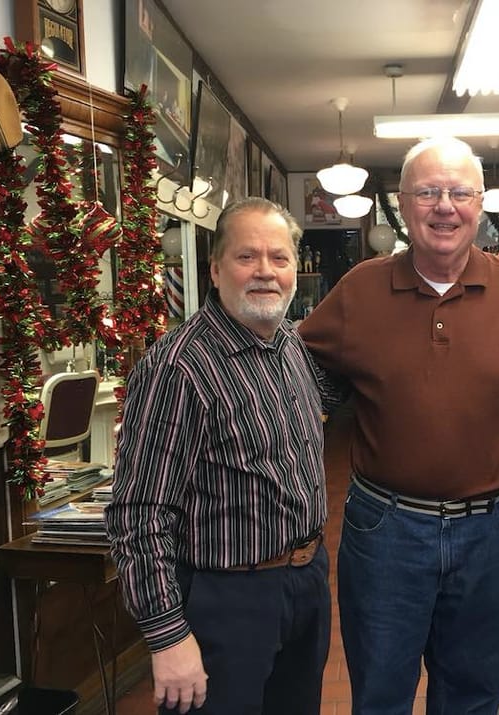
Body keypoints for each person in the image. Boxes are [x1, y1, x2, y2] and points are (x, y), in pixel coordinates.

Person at [299, 136, 499, 713]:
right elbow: (302, 366)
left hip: (492, 530)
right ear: (402, 202)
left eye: (460, 192)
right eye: (429, 192)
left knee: (473, 697)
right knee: (381, 695)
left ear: (480, 202)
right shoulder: (359, 289)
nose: (446, 206)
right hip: (385, 530)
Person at [106, 198, 331, 715]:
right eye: (246, 257)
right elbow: (138, 515)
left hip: (304, 582)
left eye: (279, 258)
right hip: (227, 599)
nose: (265, 272)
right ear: (214, 269)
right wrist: (167, 637)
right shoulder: (179, 366)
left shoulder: (290, 346)